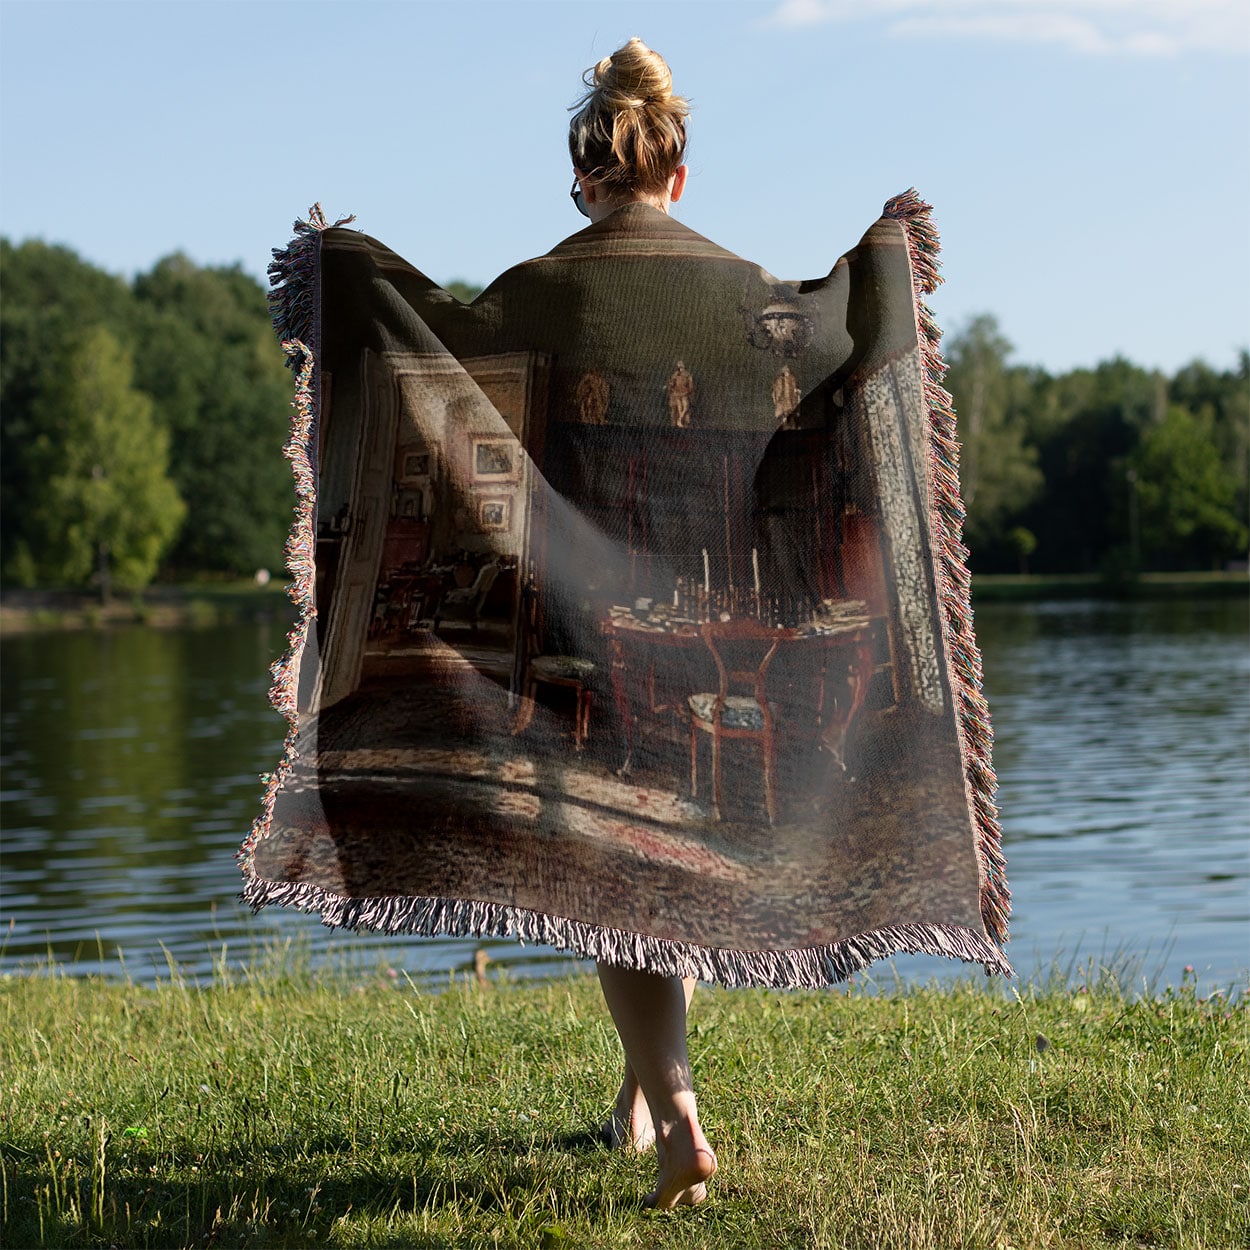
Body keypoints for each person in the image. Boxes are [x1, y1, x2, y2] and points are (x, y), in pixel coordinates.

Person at [566, 37, 718, 1212]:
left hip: (588, 623)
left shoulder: (547, 283)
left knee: (613, 876)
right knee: (657, 857)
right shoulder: (737, 287)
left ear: (587, 179)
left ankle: (676, 1115)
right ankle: (632, 1100)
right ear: (675, 174)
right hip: (710, 622)